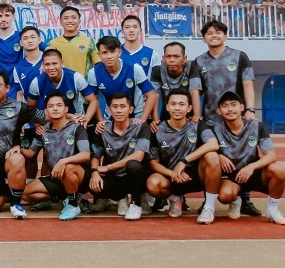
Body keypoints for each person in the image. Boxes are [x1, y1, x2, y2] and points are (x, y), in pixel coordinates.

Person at [194, 19, 261, 217]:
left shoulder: (240, 57)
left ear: (225, 35)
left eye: (218, 32)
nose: (214, 35)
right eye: (209, 33)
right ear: (204, 38)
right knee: (211, 158)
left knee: (244, 155)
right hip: (212, 120)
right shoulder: (198, 61)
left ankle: (245, 199)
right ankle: (209, 200)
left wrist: (250, 110)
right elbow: (196, 91)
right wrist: (197, 116)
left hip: (238, 118)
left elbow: (248, 84)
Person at [0, 69, 46, 218]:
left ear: (7, 88)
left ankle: (15, 203)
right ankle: (9, 189)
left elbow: (47, 116)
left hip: (8, 158)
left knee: (18, 158)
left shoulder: (19, 107)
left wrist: (72, 116)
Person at [145, 89, 221, 224]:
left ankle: (208, 208)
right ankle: (175, 198)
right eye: (173, 104)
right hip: (172, 178)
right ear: (167, 107)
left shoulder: (197, 124)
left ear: (189, 108)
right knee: (153, 183)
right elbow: (153, 163)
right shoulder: (157, 129)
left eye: (181, 104)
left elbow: (213, 144)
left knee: (212, 156)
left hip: (196, 176)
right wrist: (172, 173)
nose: (177, 108)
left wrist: (184, 160)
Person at [213, 90, 285, 225]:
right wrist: (218, 156)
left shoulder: (256, 126)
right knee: (224, 196)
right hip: (232, 176)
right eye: (225, 105)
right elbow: (206, 151)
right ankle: (236, 200)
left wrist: (251, 167)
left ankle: (272, 209)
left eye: (233, 104)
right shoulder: (214, 129)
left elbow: (271, 155)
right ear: (219, 110)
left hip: (254, 172)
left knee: (279, 171)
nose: (230, 109)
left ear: (242, 107)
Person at [22, 92, 92, 221]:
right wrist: (17, 147)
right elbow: (31, 153)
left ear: (66, 109)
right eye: (51, 106)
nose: (55, 108)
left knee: (69, 167)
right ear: (46, 110)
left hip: (79, 175)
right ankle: (64, 197)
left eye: (59, 105)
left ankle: (73, 204)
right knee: (26, 194)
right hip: (57, 177)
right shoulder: (43, 131)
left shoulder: (77, 127)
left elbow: (86, 154)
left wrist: (63, 162)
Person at [89, 92, 151, 221]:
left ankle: (136, 203)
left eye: (123, 106)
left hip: (137, 176)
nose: (119, 110)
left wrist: (107, 167)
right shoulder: (102, 129)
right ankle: (121, 197)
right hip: (116, 177)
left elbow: (138, 156)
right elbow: (95, 155)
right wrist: (94, 172)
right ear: (109, 109)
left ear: (130, 109)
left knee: (133, 165)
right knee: (89, 182)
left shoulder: (141, 127)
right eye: (115, 107)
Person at [89, 35, 157, 123]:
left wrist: (142, 120)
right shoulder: (94, 72)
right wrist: (100, 121)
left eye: (113, 52)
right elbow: (93, 100)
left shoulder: (134, 68)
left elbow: (151, 95)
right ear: (99, 54)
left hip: (135, 117)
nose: (109, 56)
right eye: (104, 53)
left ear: (120, 52)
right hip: (111, 118)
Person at [25, 48, 98, 127]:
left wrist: (86, 118)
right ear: (42, 65)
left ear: (62, 63)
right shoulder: (37, 82)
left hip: (74, 121)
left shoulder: (76, 78)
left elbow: (93, 101)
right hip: (48, 123)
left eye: (54, 63)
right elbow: (30, 109)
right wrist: (37, 125)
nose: (51, 67)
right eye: (47, 64)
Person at [151, 42, 203, 122]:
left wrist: (196, 116)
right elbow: (155, 96)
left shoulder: (191, 67)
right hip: (167, 115)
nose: (171, 60)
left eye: (176, 56)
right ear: (163, 58)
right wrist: (155, 119)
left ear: (184, 58)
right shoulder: (157, 70)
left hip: (188, 116)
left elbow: (194, 92)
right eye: (168, 56)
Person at [47, 6, 99, 76]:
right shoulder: (52, 44)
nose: (70, 21)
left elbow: (99, 64)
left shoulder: (90, 42)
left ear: (79, 21)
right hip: (60, 85)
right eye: (66, 18)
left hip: (83, 85)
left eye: (73, 18)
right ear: (61, 22)